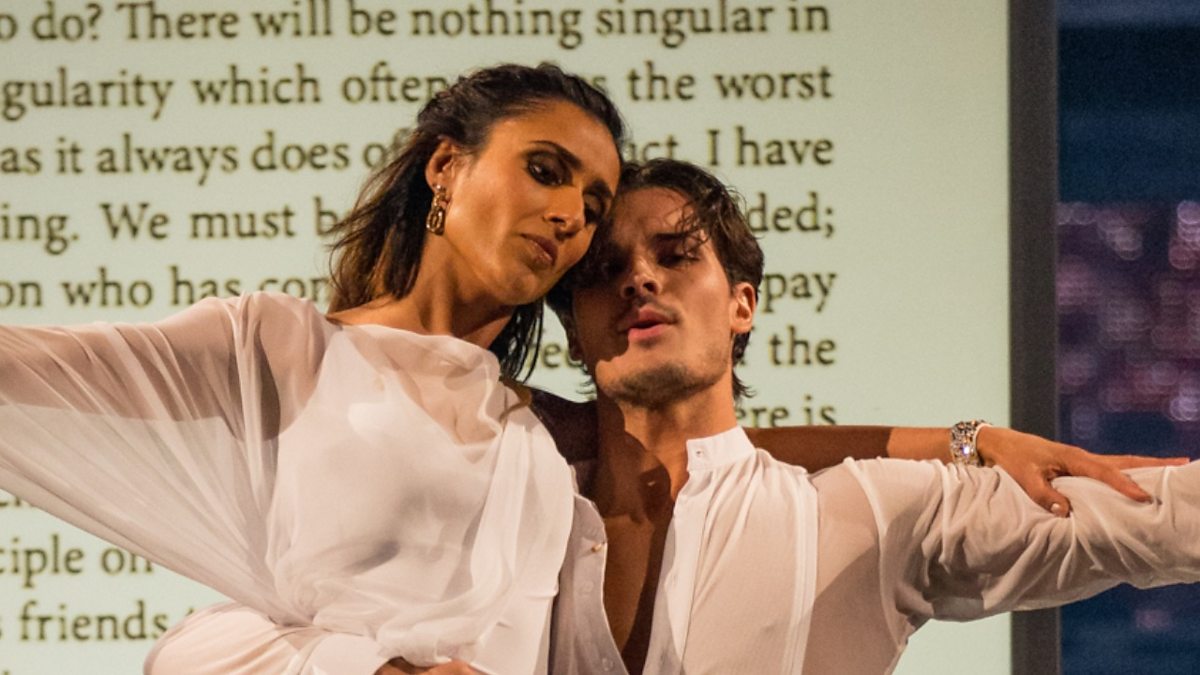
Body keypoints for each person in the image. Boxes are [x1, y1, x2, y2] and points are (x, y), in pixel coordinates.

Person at [148, 159, 1199, 675]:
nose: (639, 281)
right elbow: (196, 651)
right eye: (604, 271)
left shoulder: (878, 512)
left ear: (741, 304)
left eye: (675, 255)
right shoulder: (489, 496)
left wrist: (959, 444)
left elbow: (1158, 518)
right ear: (574, 326)